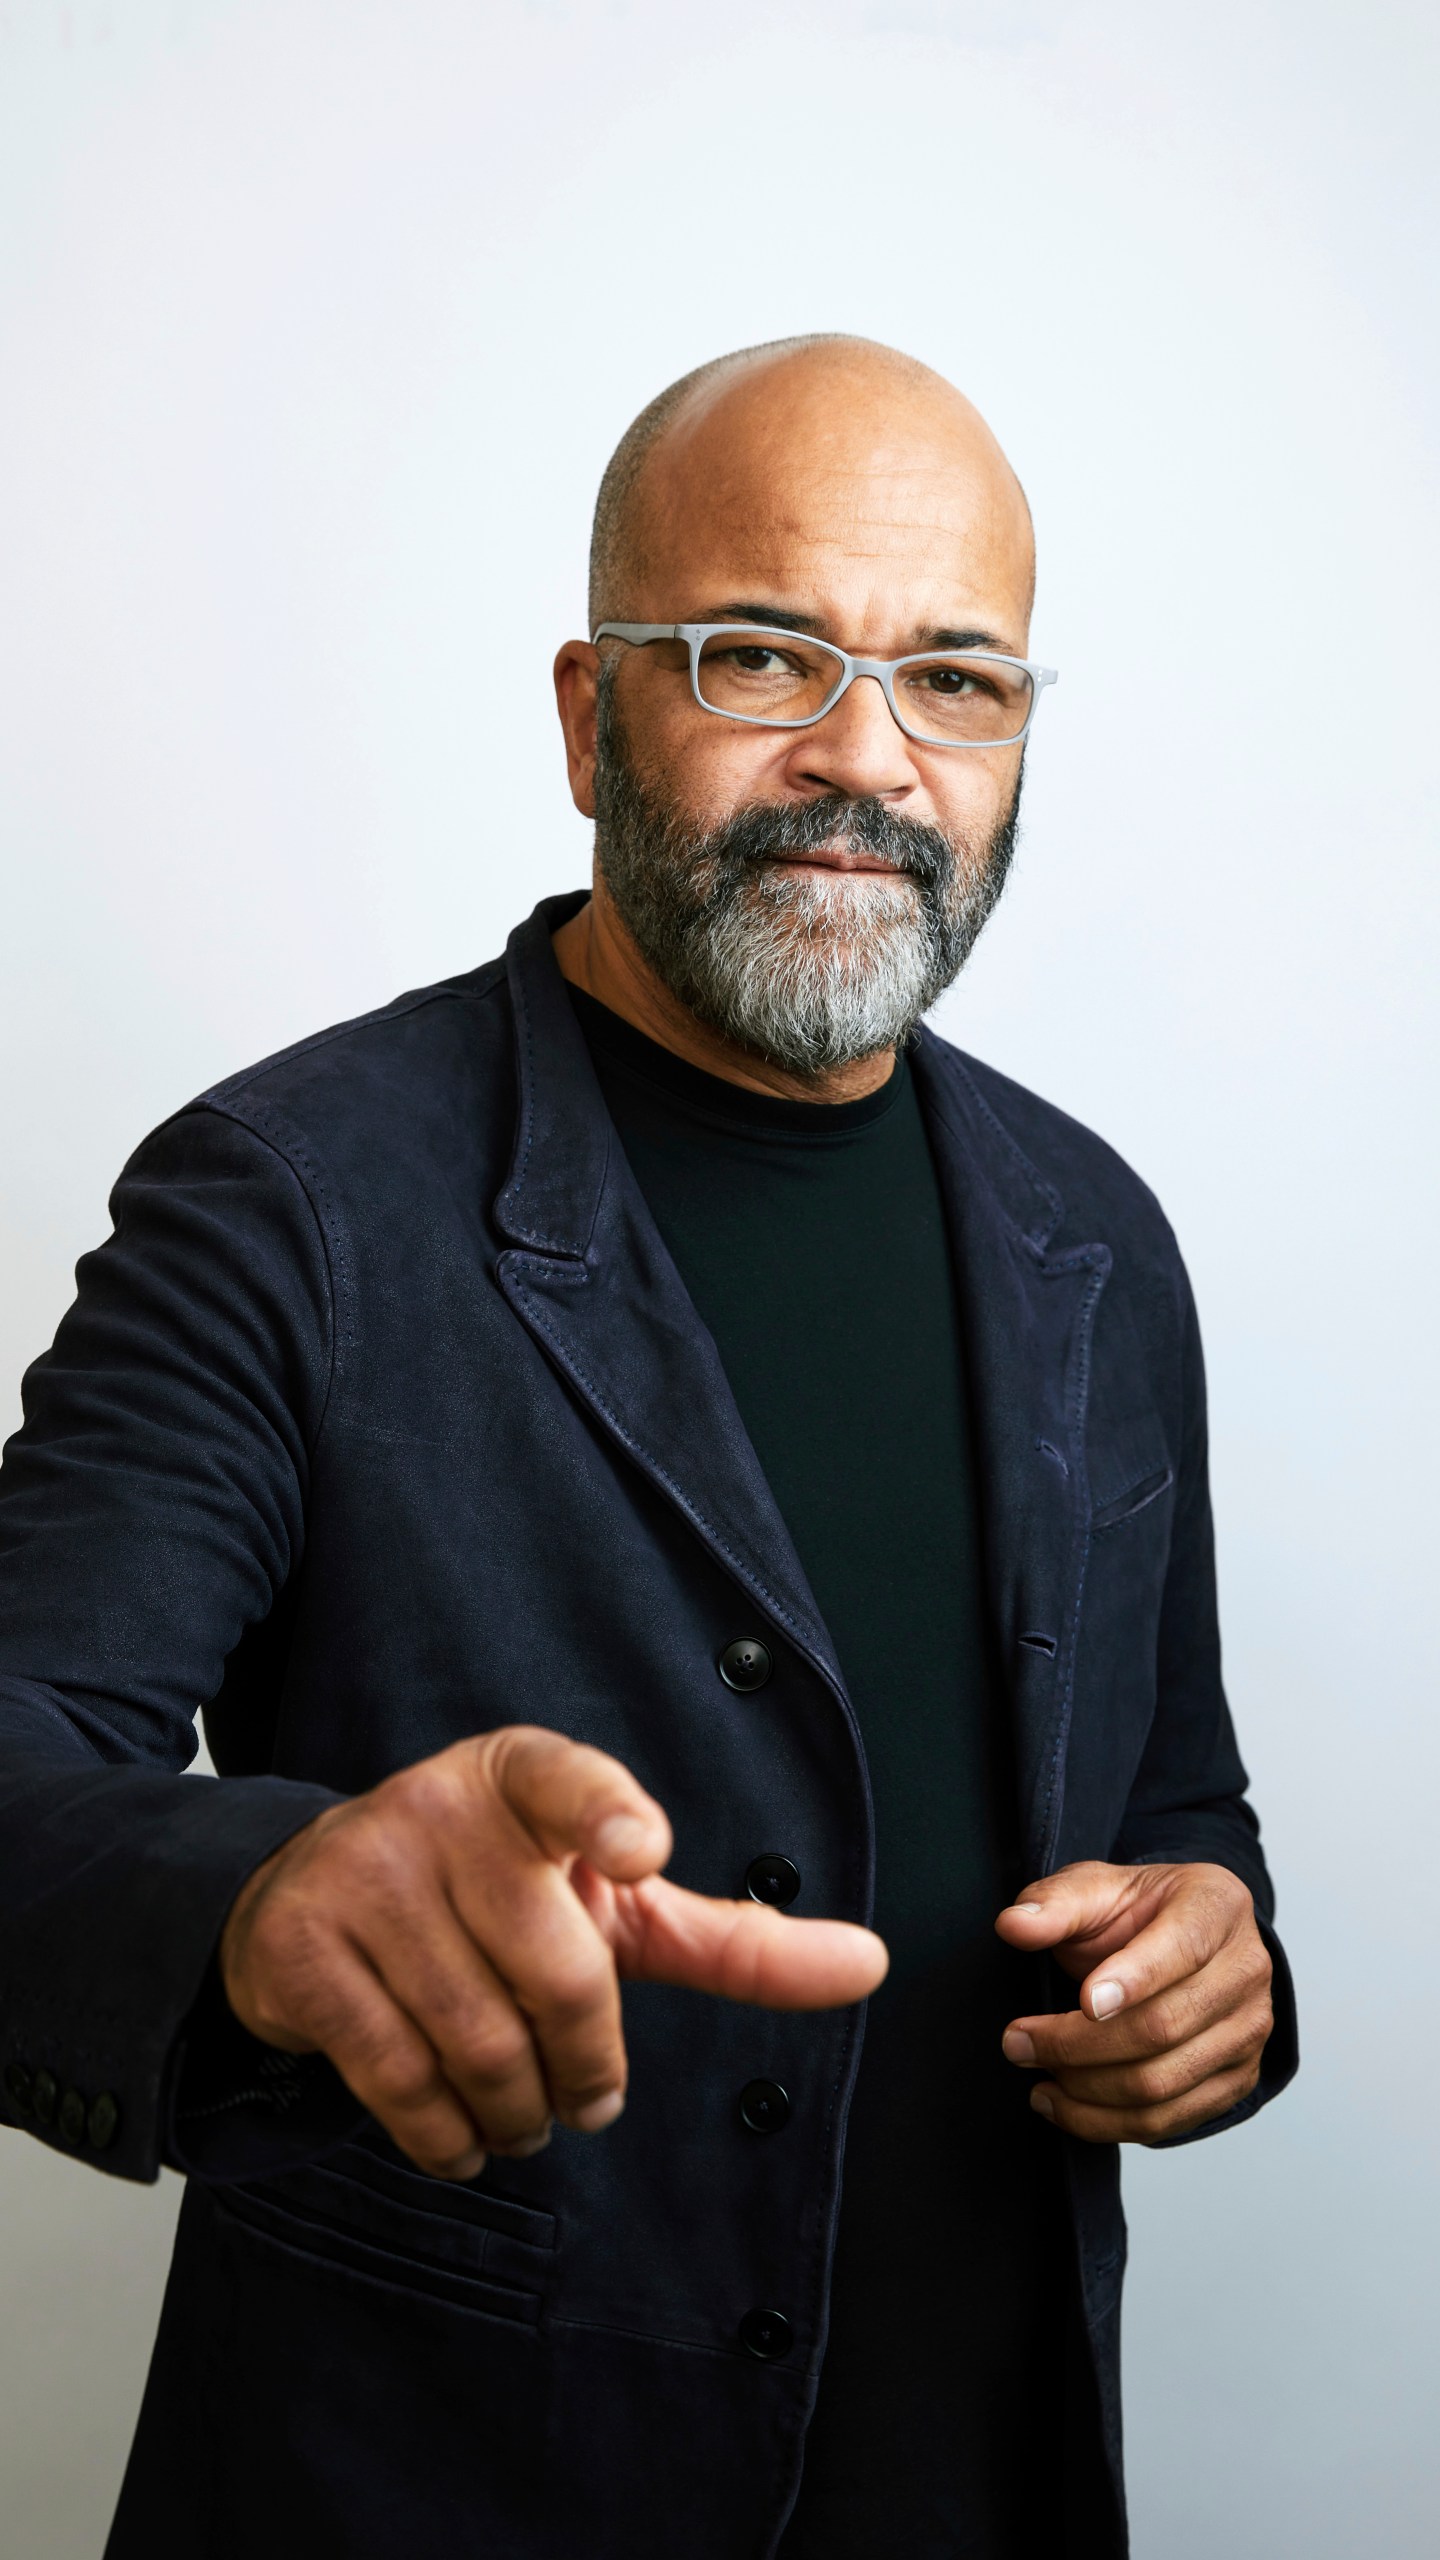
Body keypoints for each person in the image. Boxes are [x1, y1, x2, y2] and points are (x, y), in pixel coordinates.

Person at [0, 335, 1294, 2560]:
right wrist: (266, 1888)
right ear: (592, 709)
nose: (867, 760)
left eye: (958, 680)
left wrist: (1216, 1966)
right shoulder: (288, 1197)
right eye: (761, 654)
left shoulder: (1101, 1234)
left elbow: (1173, 1801)